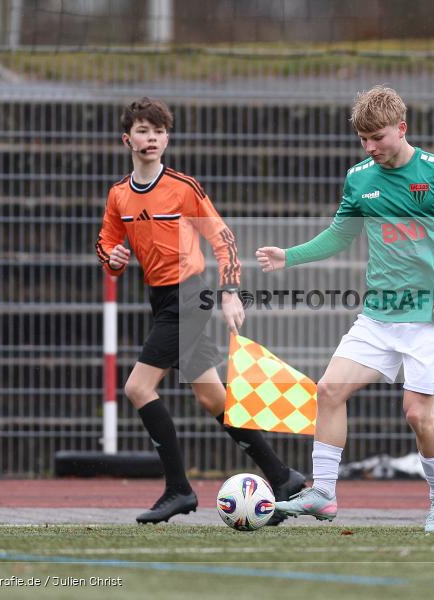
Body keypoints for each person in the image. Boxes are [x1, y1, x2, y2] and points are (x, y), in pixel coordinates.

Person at [257, 86, 434, 532]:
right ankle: (323, 494)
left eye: (377, 137)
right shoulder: (359, 177)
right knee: (328, 391)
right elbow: (340, 234)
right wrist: (291, 256)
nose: (370, 147)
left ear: (402, 127)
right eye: (363, 139)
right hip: (377, 318)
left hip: (427, 320)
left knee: (418, 414)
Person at [95, 97, 304, 525]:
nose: (150, 138)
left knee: (138, 388)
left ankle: (178, 490)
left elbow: (223, 238)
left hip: (190, 297)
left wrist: (230, 292)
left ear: (166, 138)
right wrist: (113, 258)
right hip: (161, 300)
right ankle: (282, 477)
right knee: (211, 396)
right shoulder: (118, 195)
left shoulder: (183, 187)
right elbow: (107, 245)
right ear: (127, 139)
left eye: (158, 131)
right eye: (142, 131)